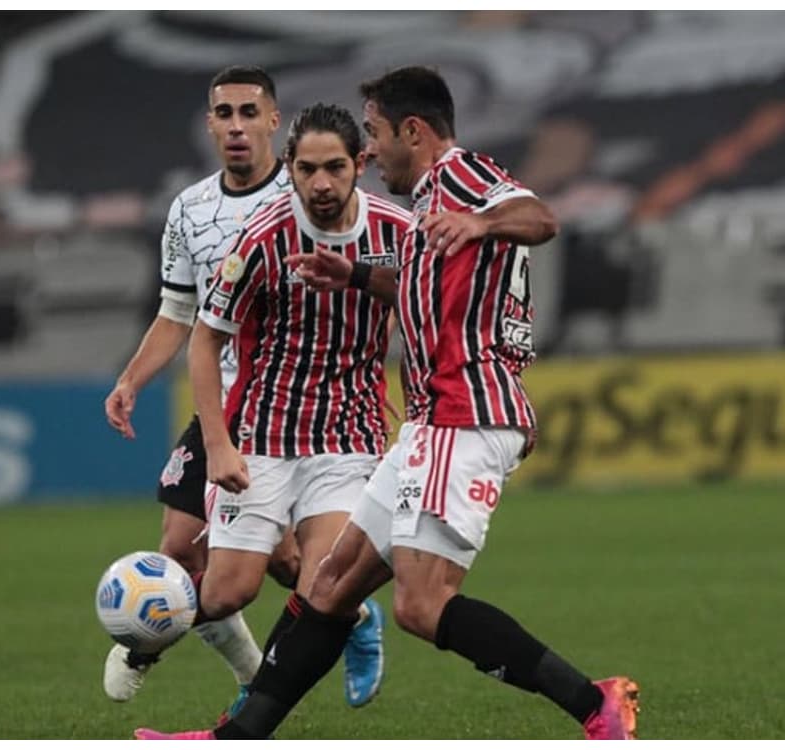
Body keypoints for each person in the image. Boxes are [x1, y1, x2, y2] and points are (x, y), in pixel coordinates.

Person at [136, 66, 640, 741]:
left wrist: (479, 221)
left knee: (421, 604)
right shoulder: (427, 202)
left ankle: (593, 703)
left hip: (462, 416)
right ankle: (233, 739)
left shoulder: (459, 177)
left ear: (413, 131)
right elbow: (425, 284)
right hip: (434, 423)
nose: (369, 153)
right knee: (330, 586)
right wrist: (356, 275)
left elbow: (540, 217)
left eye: (372, 133)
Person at [102, 67, 385, 711]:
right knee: (183, 553)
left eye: (248, 113)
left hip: (304, 411)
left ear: (273, 123)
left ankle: (334, 628)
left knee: (291, 567)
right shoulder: (190, 208)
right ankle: (251, 674)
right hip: (224, 410)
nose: (235, 126)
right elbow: (180, 314)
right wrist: (132, 379)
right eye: (223, 113)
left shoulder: (306, 195)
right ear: (209, 123)